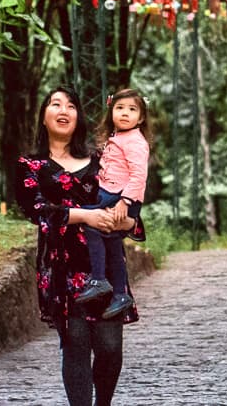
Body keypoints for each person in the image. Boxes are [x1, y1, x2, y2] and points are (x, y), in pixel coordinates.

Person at [15, 86, 138, 406]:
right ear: (43, 117)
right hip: (61, 265)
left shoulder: (102, 158)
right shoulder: (31, 165)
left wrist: (127, 222)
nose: (63, 110)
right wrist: (88, 216)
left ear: (79, 117)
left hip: (105, 266)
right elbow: (36, 211)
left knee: (110, 347)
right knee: (77, 344)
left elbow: (130, 201)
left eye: (71, 105)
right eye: (55, 104)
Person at [72, 88, 150, 320]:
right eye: (120, 108)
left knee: (88, 218)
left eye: (132, 109)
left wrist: (125, 201)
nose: (125, 113)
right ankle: (120, 294)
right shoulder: (118, 138)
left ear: (141, 118)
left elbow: (139, 175)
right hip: (113, 192)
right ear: (111, 111)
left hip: (120, 196)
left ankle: (98, 279)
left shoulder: (136, 141)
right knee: (113, 246)